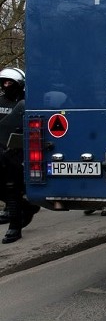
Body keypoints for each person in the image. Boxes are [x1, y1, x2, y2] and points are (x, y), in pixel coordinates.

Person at [0, 67, 36, 244]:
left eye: (10, 82)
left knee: (12, 189)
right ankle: (26, 207)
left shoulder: (27, 102)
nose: (6, 85)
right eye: (4, 82)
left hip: (18, 153)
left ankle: (14, 228)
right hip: (1, 152)